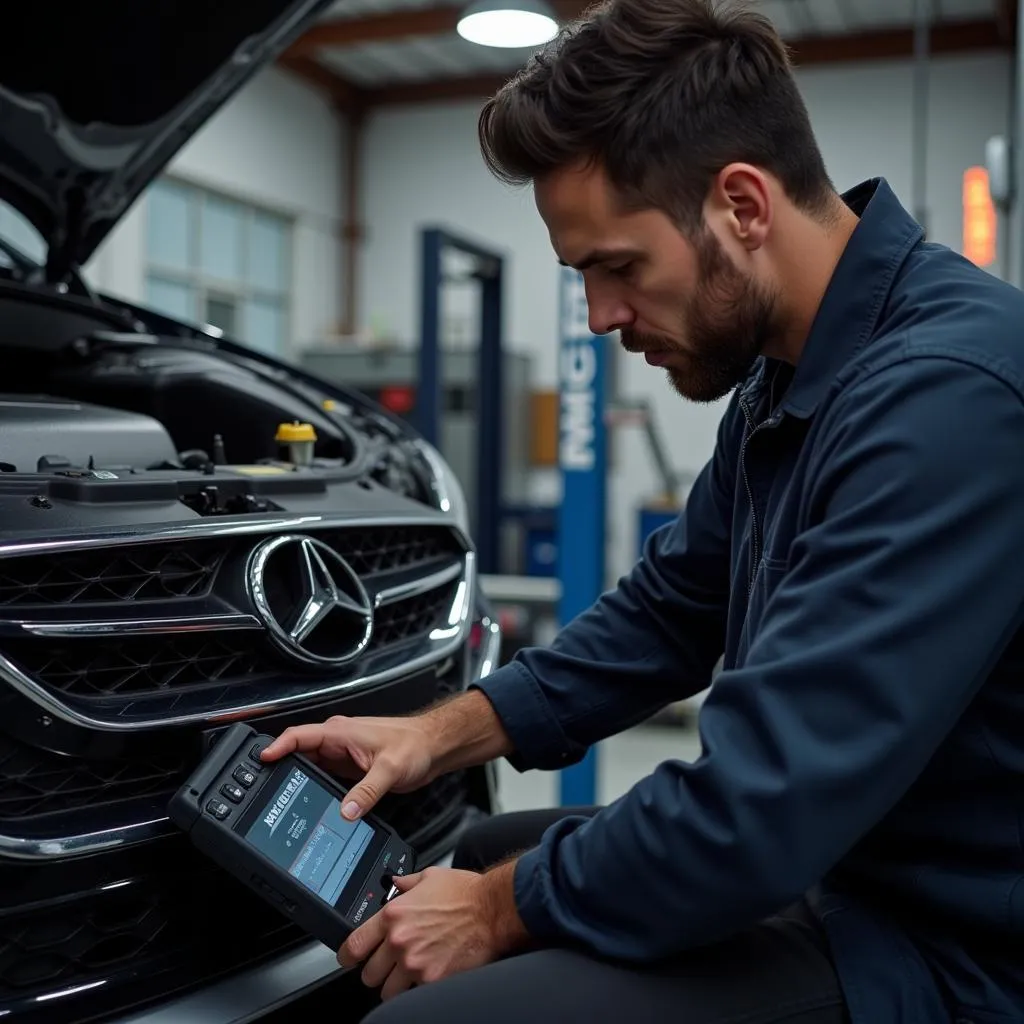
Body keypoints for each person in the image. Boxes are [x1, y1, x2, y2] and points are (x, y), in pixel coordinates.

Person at [260, 0, 1024, 1019]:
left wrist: (494, 911)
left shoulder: (948, 398)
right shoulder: (785, 373)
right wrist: (430, 736)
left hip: (942, 945)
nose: (602, 316)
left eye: (619, 268)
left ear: (743, 206)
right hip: (842, 861)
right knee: (472, 851)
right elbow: (668, 612)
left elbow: (762, 807)